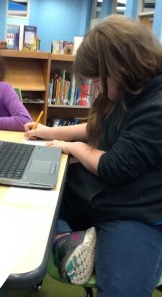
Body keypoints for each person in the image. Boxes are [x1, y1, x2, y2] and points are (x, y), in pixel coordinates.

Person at [24, 15, 162, 297]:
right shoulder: (132, 88)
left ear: (121, 67)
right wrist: (49, 132)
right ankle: (69, 240)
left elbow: (114, 167)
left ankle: (69, 240)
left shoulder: (156, 105)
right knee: (37, 199)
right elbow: (99, 128)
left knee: (121, 288)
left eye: (97, 80)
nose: (96, 87)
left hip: (138, 213)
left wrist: (72, 147)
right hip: (102, 195)